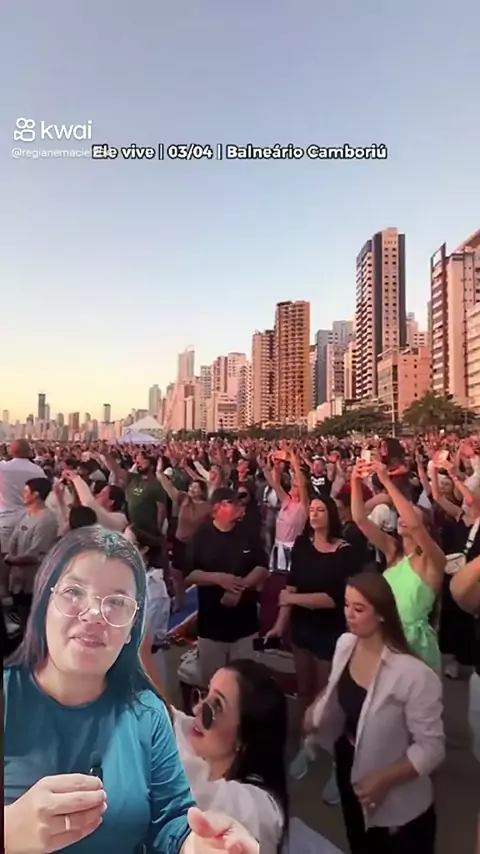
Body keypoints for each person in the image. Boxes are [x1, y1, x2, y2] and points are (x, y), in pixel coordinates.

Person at [4, 526, 261, 854]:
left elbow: (171, 820)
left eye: (116, 602)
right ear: (44, 605)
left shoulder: (147, 713)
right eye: (73, 592)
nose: (94, 614)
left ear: (131, 630)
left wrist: (200, 844)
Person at [307, 572, 445, 854]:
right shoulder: (346, 644)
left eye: (359, 609)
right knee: (359, 840)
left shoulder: (414, 675)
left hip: (398, 788)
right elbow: (336, 687)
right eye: (346, 605)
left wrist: (385, 779)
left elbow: (432, 748)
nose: (349, 614)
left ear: (382, 614)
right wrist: (317, 711)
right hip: (349, 765)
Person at [266, 495, 357, 791]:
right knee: (304, 690)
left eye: (321, 510)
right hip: (302, 629)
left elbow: (332, 599)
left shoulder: (344, 552)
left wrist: (293, 599)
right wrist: (280, 624)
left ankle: (335, 759)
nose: (315, 514)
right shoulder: (302, 545)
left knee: (327, 697)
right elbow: (291, 585)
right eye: (312, 510)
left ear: (331, 515)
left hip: (330, 632)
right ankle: (308, 745)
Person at [174, 659, 288, 854]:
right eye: (205, 694)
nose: (197, 709)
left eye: (216, 707)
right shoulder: (202, 745)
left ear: (244, 737)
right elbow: (173, 720)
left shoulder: (261, 810)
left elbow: (194, 791)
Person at [351, 459, 446, 671]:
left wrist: (386, 481)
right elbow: (360, 519)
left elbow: (414, 524)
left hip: (414, 644)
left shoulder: (433, 559)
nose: (402, 517)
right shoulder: (393, 550)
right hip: (386, 634)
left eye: (409, 513)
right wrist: (355, 480)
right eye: (401, 513)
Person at [184, 488, 269, 687]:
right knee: (214, 685)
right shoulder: (201, 536)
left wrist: (240, 587)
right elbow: (188, 575)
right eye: (233, 502)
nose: (240, 506)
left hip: (245, 627)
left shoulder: (248, 532)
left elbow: (263, 566)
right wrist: (218, 578)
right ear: (218, 507)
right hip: (211, 628)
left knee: (244, 686)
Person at [0, 440, 47, 554]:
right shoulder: (38, 471)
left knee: (5, 556)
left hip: (6, 519)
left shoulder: (3, 468)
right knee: (23, 556)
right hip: (30, 519)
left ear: (11, 451)